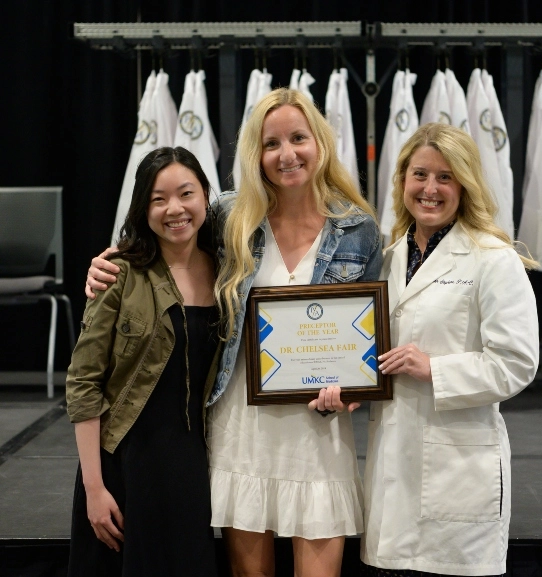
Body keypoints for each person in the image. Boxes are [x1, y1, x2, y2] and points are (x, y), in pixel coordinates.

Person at [85, 88, 383, 577]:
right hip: (242, 426)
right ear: (255, 154)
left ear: (320, 143)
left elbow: (369, 335)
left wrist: (352, 390)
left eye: (298, 138)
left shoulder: (359, 230)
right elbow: (161, 235)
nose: (286, 155)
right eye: (271, 143)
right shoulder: (228, 216)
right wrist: (106, 261)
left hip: (318, 433)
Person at [359, 123, 539, 576]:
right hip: (393, 470)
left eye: (445, 177)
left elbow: (516, 363)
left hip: (459, 472)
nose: (430, 189)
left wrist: (434, 369)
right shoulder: (387, 258)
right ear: (402, 180)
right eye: (420, 174)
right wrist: (352, 384)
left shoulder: (492, 258)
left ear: (465, 184)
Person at [67, 147, 220, 577]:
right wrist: (94, 488)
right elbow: (83, 384)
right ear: (143, 207)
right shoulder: (119, 272)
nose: (175, 209)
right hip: (124, 469)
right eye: (158, 198)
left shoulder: (229, 271)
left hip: (192, 470)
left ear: (206, 196)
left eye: (186, 193)